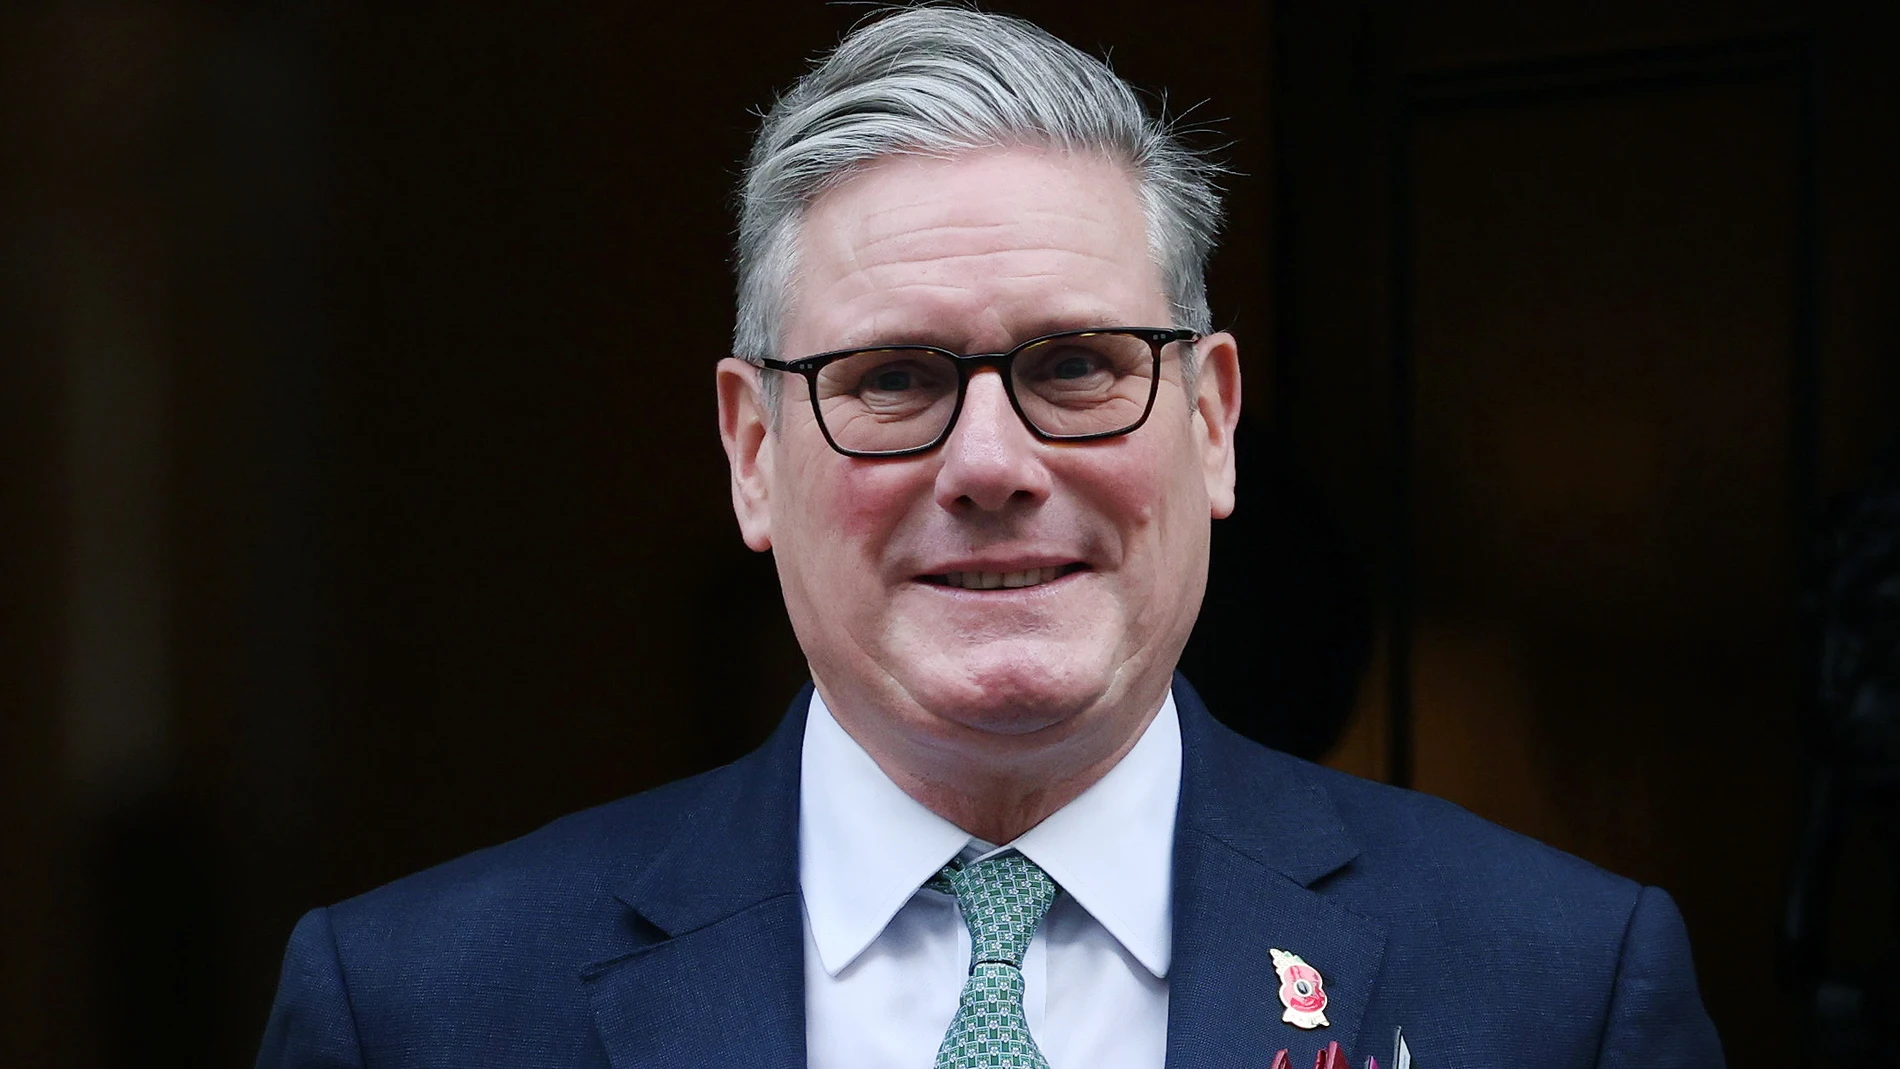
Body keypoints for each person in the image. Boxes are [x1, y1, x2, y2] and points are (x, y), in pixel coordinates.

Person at [256, 8, 1724, 1068]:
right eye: (892, 380)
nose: (992, 464)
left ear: (1211, 423)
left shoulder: (1554, 988)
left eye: (1079, 364)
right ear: (753, 455)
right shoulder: (416, 1010)